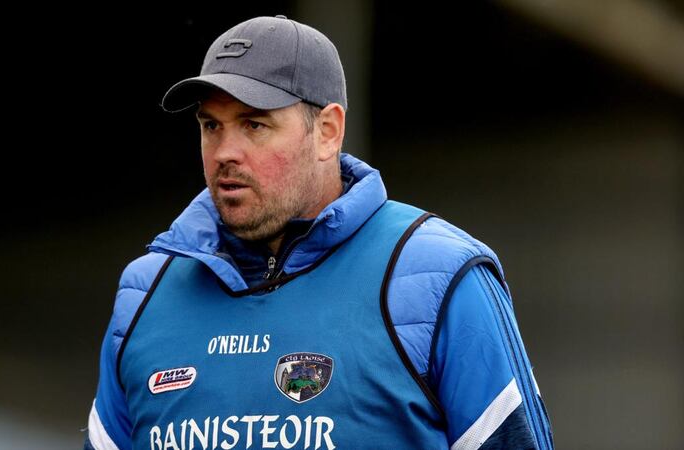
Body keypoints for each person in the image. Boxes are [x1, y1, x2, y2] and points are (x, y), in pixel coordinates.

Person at [84, 15, 553, 450]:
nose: (225, 151)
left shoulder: (437, 276)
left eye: (254, 124)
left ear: (328, 131)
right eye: (211, 126)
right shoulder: (146, 293)